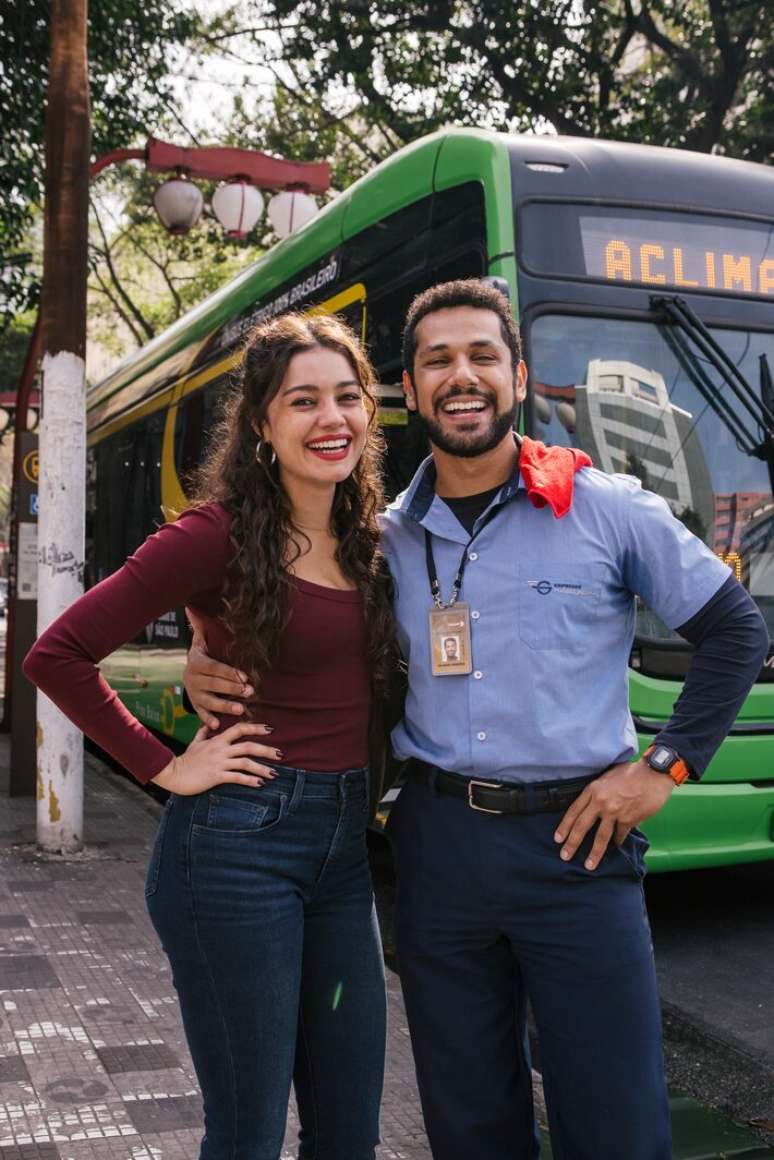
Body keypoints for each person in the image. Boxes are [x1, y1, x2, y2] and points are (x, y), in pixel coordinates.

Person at [182, 280, 770, 1160]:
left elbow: (737, 629)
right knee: (468, 1124)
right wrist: (207, 653)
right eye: (438, 361)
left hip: (580, 848)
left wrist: (666, 766)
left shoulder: (604, 507)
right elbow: (285, 612)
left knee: (616, 1124)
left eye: (482, 356)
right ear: (411, 392)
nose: (462, 376)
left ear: (518, 378)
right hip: (439, 847)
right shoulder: (379, 539)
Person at [23, 312, 398, 1160]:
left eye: (348, 397)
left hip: (344, 854)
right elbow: (57, 654)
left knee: (350, 1133)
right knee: (247, 1134)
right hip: (238, 850)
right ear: (262, 421)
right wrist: (164, 769)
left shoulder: (371, 536)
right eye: (303, 400)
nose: (331, 418)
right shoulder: (215, 534)